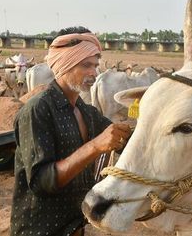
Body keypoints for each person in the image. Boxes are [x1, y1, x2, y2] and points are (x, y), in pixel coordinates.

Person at [10, 26, 132, 236]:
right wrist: (95, 146)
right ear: (64, 65)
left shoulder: (87, 112)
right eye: (86, 65)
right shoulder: (37, 110)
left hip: (74, 226)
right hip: (41, 229)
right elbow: (41, 182)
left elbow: (124, 140)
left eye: (95, 65)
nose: (94, 73)